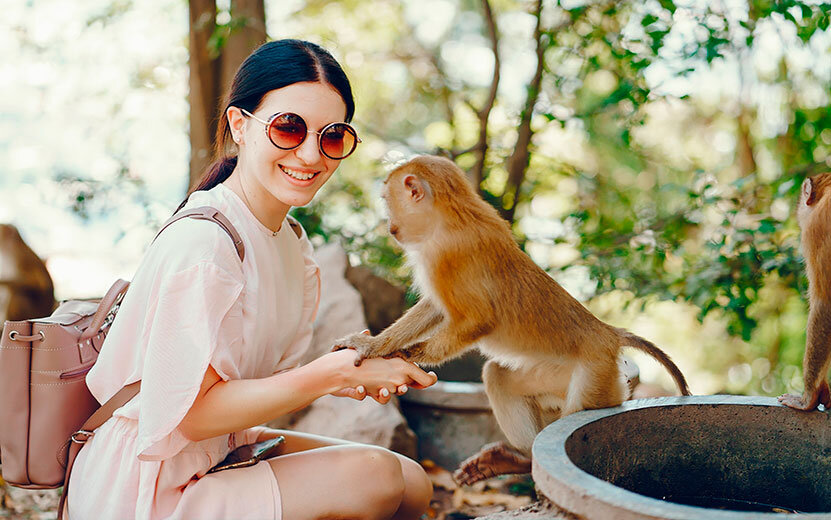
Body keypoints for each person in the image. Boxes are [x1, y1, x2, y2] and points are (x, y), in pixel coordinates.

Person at [66, 39, 438, 520]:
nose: (309, 155)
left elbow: (256, 383)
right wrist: (330, 374)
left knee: (411, 480)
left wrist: (344, 374)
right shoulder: (204, 244)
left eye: (332, 137)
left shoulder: (292, 243)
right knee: (377, 476)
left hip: (219, 452)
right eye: (288, 128)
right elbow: (190, 415)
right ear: (239, 125)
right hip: (149, 482)